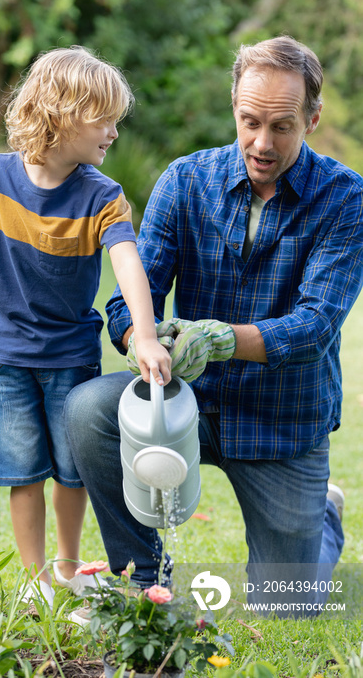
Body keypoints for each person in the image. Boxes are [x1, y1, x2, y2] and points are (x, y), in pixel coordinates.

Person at [64, 36, 363, 617]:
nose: (261, 142)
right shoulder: (186, 182)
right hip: (183, 404)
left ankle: (323, 516)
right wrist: (145, 340)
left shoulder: (346, 198)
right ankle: (143, 580)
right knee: (89, 410)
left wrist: (220, 337)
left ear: (313, 117)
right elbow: (130, 303)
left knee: (288, 606)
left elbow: (315, 327)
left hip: (283, 419)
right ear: (233, 105)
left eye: (282, 126)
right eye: (250, 121)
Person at [0, 46, 171, 611]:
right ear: (61, 113)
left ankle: (65, 564)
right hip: (3, 354)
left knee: (71, 470)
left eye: (116, 121)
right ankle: (33, 578)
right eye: (103, 119)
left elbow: (127, 261)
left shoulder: (102, 196)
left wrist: (147, 336)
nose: (113, 132)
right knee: (22, 470)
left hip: (70, 355)